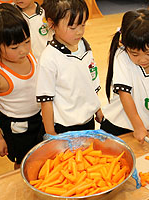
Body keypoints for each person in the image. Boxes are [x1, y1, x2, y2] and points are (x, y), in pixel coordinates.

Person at [101, 9, 149, 153]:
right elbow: (125, 95)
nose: (142, 59)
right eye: (134, 54)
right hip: (118, 125)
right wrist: (138, 126)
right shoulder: (121, 56)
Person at [36, 0, 102, 135]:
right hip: (64, 126)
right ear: (51, 23)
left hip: (87, 120)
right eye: (72, 27)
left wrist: (97, 109)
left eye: (82, 25)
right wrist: (50, 132)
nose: (79, 32)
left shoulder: (85, 46)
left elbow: (91, 80)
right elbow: (45, 100)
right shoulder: (49, 58)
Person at [0, 3, 43, 169]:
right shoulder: (0, 74)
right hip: (17, 127)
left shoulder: (28, 55)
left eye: (27, 41)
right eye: (14, 47)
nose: (23, 50)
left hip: (39, 116)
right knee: (23, 161)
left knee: (41, 154)